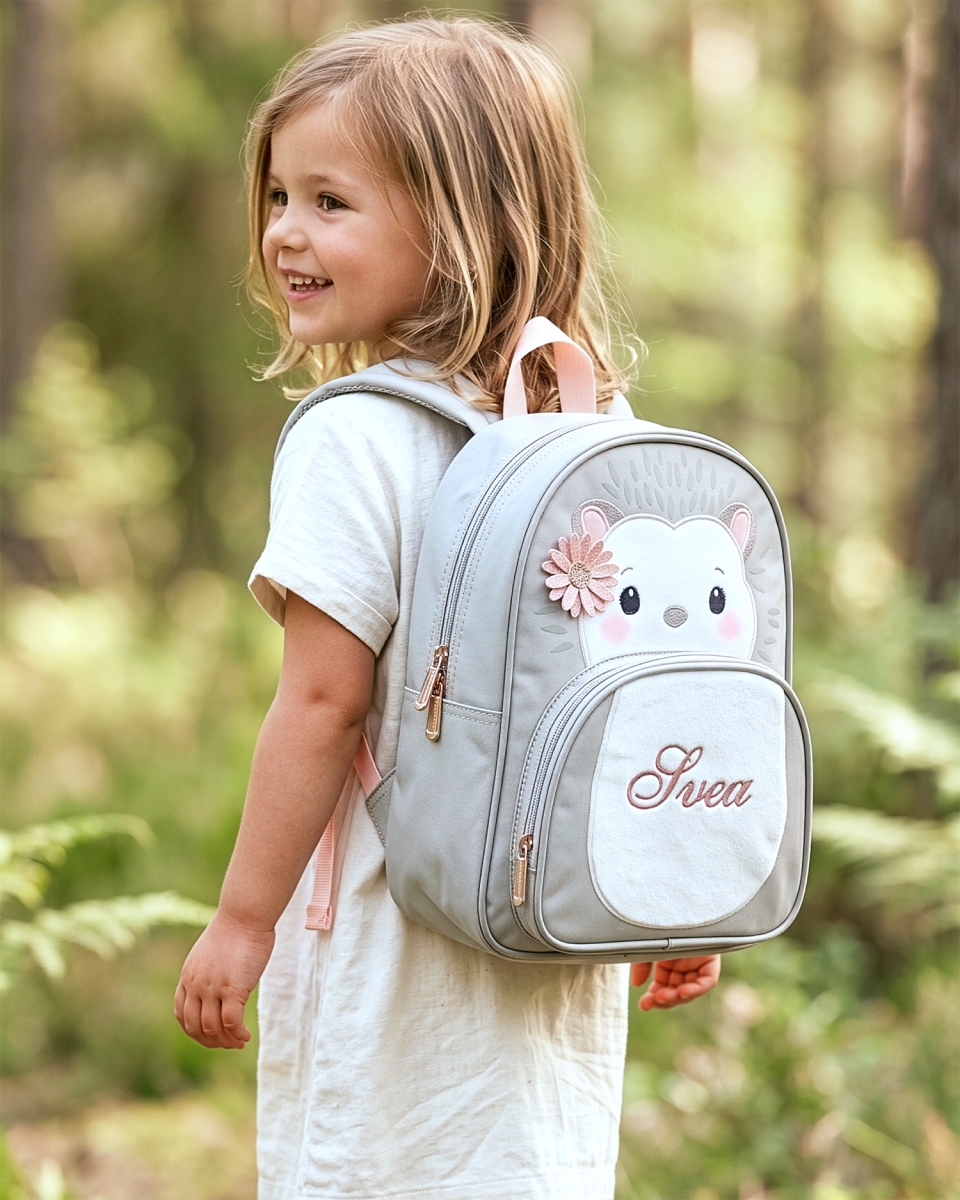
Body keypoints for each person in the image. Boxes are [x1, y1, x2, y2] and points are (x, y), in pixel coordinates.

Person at [175, 17, 721, 1200]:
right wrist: (675, 893)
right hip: (553, 916)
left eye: (331, 201)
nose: (284, 232)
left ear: (464, 220)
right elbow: (647, 692)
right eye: (279, 196)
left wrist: (241, 922)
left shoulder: (355, 437)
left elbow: (323, 706)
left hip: (394, 921)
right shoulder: (595, 430)